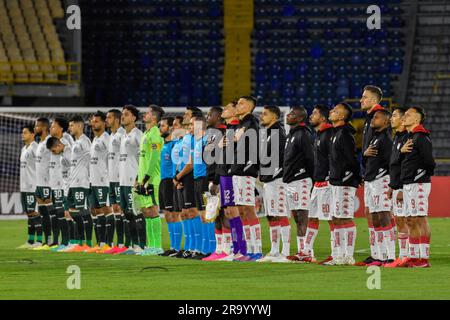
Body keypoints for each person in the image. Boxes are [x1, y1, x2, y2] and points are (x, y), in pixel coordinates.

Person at [324, 103, 361, 266]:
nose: (331, 112)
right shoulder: (335, 133)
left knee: (344, 218)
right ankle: (339, 255)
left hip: (344, 183)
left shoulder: (345, 134)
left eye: (335, 111)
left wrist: (349, 178)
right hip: (335, 181)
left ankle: (348, 256)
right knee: (336, 218)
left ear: (341, 117)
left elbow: (351, 159)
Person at [227, 96, 263, 262]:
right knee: (241, 210)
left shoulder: (251, 122)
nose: (238, 106)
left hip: (246, 170)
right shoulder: (242, 123)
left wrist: (251, 167)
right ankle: (248, 249)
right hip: (237, 170)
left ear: (249, 106)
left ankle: (257, 249)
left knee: (248, 209)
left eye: (241, 103)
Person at [400, 106, 435, 268]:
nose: (404, 117)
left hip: (418, 184)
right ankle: (414, 257)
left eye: (408, 115)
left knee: (419, 219)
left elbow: (429, 162)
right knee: (410, 220)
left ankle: (423, 259)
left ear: (417, 119)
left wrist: (419, 175)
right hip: (408, 184)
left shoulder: (421, 137)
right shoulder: (411, 137)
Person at [256, 105, 290, 263]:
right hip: (269, 181)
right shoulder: (269, 133)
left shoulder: (278, 133)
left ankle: (286, 251)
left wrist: (273, 174)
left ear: (275, 117)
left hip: (278, 180)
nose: (262, 116)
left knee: (281, 213)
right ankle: (275, 250)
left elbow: (283, 158)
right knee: (271, 215)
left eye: (265, 114)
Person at [359, 85, 388, 265]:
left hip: (380, 175)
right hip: (370, 173)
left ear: (375, 100)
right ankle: (377, 253)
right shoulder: (370, 119)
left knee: (382, 214)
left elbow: (385, 142)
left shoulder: (381, 117)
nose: (361, 100)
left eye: (364, 97)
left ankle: (386, 254)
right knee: (370, 213)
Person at [362, 109, 395, 266]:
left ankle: (391, 255)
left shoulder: (386, 140)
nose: (373, 120)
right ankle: (380, 256)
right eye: (373, 117)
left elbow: (392, 163)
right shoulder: (375, 139)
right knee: (375, 218)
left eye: (377, 118)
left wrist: (392, 184)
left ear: (386, 122)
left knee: (384, 215)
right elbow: (370, 160)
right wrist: (365, 154)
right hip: (371, 181)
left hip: (381, 180)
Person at [283, 106, 314, 262]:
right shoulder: (291, 135)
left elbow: (310, 158)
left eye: (292, 114)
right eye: (289, 113)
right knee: (296, 217)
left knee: (302, 215)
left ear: (300, 118)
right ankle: (302, 250)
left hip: (301, 180)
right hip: (290, 181)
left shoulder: (303, 134)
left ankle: (307, 251)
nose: (288, 115)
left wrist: (310, 178)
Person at [209, 102, 239, 261]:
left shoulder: (233, 130)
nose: (224, 111)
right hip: (217, 177)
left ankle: (230, 248)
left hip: (227, 177)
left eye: (228, 108)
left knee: (228, 212)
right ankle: (220, 248)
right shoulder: (224, 131)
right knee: (218, 214)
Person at [202, 106, 233, 261]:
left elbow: (221, 160)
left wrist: (215, 180)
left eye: (210, 115)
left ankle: (227, 249)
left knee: (224, 213)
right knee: (216, 215)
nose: (207, 117)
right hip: (212, 179)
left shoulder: (223, 133)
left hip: (220, 179)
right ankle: (219, 249)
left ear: (218, 116)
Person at [306, 105, 335, 264]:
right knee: (312, 217)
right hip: (317, 184)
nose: (311, 116)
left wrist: (331, 178)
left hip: (327, 184)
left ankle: (335, 253)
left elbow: (334, 158)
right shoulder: (319, 134)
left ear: (323, 118)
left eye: (315, 113)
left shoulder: (329, 134)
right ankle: (307, 251)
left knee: (331, 219)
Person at [174, 107, 204, 259]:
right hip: (182, 176)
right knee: (185, 213)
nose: (184, 116)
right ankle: (190, 246)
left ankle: (199, 247)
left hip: (191, 175)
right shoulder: (186, 135)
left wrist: (179, 176)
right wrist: (177, 176)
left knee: (194, 212)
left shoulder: (194, 137)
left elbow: (191, 161)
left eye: (187, 114)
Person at [136, 105, 165, 256]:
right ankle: (150, 245)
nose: (144, 115)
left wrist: (146, 178)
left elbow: (154, 157)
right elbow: (143, 159)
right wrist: (138, 178)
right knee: (146, 211)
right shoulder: (146, 133)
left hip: (152, 179)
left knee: (152, 210)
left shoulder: (155, 133)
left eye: (147, 113)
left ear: (154, 117)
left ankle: (157, 246)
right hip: (143, 179)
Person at [384, 107, 410, 268]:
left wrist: (400, 188)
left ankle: (404, 256)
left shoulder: (407, 137)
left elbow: (406, 166)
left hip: (404, 187)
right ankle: (404, 256)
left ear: (402, 119)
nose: (391, 118)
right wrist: (392, 187)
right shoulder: (397, 138)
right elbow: (395, 165)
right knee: (400, 220)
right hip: (397, 186)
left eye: (394, 116)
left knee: (404, 221)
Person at [118, 105, 144, 255]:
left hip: (132, 181)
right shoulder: (123, 136)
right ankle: (133, 245)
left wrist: (138, 178)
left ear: (134, 117)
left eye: (126, 114)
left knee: (136, 213)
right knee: (127, 214)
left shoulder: (137, 135)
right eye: (122, 114)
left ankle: (141, 245)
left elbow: (143, 158)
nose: (123, 117)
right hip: (122, 181)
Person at [64, 116, 92, 252]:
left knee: (83, 213)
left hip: (81, 182)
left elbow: (91, 160)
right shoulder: (76, 143)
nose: (70, 128)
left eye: (72, 125)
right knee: (73, 212)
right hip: (73, 183)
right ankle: (78, 243)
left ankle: (88, 243)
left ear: (80, 126)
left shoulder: (85, 142)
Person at [85, 111, 112, 253]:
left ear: (104, 123)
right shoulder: (95, 139)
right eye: (93, 121)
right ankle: (101, 243)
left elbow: (112, 160)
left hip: (103, 181)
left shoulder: (106, 139)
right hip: (93, 180)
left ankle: (109, 242)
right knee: (95, 211)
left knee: (106, 209)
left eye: (97, 121)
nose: (94, 123)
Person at [47, 117, 74, 251]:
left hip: (65, 183)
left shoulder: (66, 141)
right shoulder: (53, 142)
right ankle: (61, 241)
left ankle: (69, 241)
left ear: (60, 128)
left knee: (65, 212)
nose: (51, 128)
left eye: (53, 126)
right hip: (56, 183)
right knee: (59, 212)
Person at [191, 115, 215, 259]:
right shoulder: (198, 141)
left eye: (193, 125)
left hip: (205, 178)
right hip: (197, 178)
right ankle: (204, 248)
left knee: (208, 215)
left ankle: (211, 249)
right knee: (201, 214)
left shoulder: (208, 139)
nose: (190, 127)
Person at [159, 116, 183, 257]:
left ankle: (177, 247)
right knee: (168, 215)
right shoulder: (165, 144)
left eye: (163, 126)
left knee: (174, 214)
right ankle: (173, 247)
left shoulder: (175, 144)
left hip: (170, 181)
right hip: (163, 181)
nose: (161, 128)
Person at [103, 109, 127, 254]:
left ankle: (124, 243)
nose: (107, 120)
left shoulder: (121, 135)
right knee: (115, 210)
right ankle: (117, 244)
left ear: (117, 119)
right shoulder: (111, 136)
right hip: (111, 179)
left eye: (109, 117)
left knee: (122, 210)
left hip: (120, 178)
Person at [17, 125, 42, 249]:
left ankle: (39, 240)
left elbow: (41, 166)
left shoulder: (35, 148)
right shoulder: (23, 149)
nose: (23, 134)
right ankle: (30, 240)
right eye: (22, 132)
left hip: (33, 186)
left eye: (25, 132)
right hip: (24, 186)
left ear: (33, 134)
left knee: (34, 212)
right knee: (29, 213)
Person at [33, 118, 53, 250]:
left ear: (44, 127)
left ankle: (53, 240)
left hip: (48, 183)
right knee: (42, 213)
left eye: (36, 126)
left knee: (51, 213)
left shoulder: (50, 142)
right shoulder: (40, 143)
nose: (34, 128)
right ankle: (47, 241)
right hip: (39, 183)